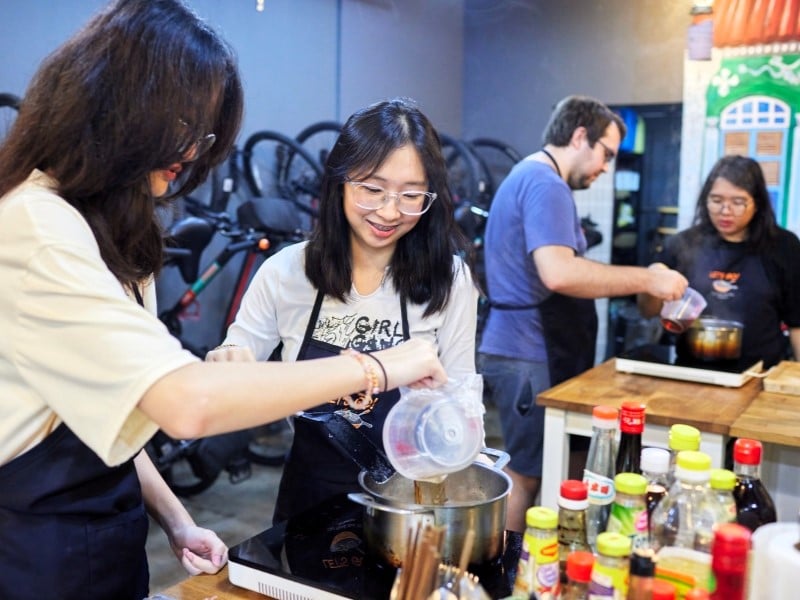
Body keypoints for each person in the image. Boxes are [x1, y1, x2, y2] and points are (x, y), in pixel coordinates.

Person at [0, 3, 446, 599]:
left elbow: (109, 412)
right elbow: (187, 402)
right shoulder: (37, 230)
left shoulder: (98, 230)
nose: (190, 152)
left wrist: (176, 519)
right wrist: (380, 365)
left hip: (111, 540)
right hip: (33, 557)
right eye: (183, 126)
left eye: (410, 196)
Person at [206, 97, 480, 523]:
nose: (390, 212)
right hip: (309, 493)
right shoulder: (287, 272)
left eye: (411, 196)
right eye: (372, 189)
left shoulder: (451, 279)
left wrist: (452, 419)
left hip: (409, 500)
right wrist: (230, 360)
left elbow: (463, 396)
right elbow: (237, 361)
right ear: (339, 182)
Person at [477, 95, 688, 533]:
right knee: (525, 475)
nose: (606, 168)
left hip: (522, 349)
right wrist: (647, 280)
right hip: (529, 352)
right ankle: (511, 577)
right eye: (606, 154)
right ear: (579, 137)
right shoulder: (545, 184)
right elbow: (559, 273)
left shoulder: (528, 177)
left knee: (540, 467)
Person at [638, 154, 800, 368]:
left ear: (757, 203)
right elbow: (647, 311)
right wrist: (651, 279)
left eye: (738, 202)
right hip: (692, 373)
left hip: (759, 377)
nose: (725, 211)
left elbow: (798, 323)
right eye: (716, 201)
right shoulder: (683, 244)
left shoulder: (783, 246)